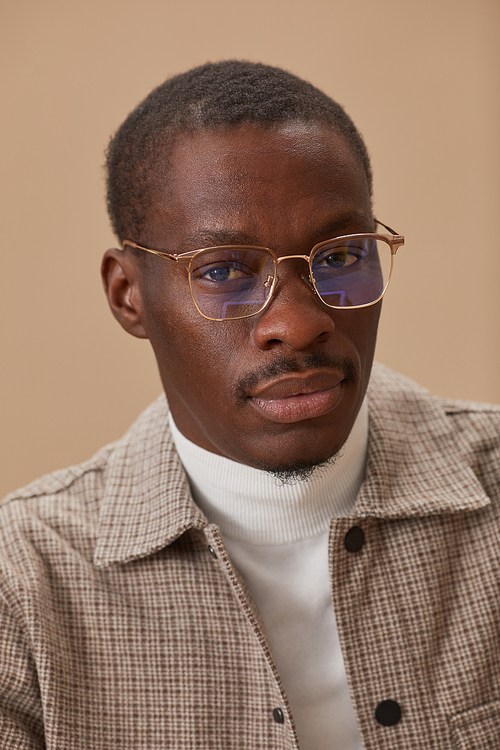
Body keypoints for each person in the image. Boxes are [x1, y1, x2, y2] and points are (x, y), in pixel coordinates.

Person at [1, 61, 499, 750]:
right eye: (224, 270)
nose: (297, 324)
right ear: (128, 295)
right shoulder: (22, 590)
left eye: (342, 255)